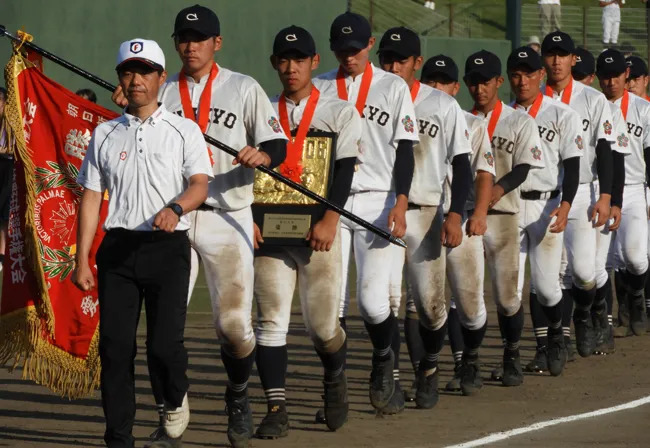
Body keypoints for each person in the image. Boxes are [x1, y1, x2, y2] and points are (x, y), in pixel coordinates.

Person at [113, 6, 288, 448]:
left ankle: (238, 392)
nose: (191, 46)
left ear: (217, 43)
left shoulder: (243, 87)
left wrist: (263, 156)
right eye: (184, 38)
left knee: (233, 327)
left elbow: (277, 142)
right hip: (172, 220)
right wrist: (130, 105)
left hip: (227, 215)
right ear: (174, 45)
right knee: (165, 330)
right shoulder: (159, 88)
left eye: (201, 38)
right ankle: (171, 413)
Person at [73, 38, 212, 448]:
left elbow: (200, 185)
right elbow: (92, 196)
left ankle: (172, 397)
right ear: (120, 78)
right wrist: (82, 259)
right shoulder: (104, 133)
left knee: (164, 347)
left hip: (167, 249)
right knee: (115, 350)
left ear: (161, 78)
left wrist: (176, 207)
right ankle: (118, 437)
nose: (136, 80)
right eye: (128, 72)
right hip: (117, 250)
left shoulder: (184, 130)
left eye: (145, 71)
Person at [251, 25, 361, 437]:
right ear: (274, 63)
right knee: (270, 322)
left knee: (323, 328)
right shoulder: (261, 109)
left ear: (315, 62)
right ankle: (276, 407)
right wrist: (250, 219)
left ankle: (335, 377)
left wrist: (332, 218)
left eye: (299, 59)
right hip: (271, 232)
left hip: (320, 232)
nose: (291, 67)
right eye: (283, 59)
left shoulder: (339, 111)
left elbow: (346, 169)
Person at [379, 28, 495, 405]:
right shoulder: (372, 99)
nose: (394, 66)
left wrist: (459, 214)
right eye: (388, 58)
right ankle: (405, 376)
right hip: (380, 210)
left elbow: (469, 169)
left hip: (431, 211)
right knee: (389, 300)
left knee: (439, 307)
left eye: (402, 59)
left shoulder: (447, 110)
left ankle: (445, 362)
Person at [315, 12, 419, 414]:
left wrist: (402, 200)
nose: (348, 55)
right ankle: (336, 387)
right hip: (332, 203)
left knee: (374, 302)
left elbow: (405, 148)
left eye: (355, 48)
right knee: (330, 309)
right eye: (341, 49)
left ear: (370, 45)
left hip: (379, 198)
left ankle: (382, 360)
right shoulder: (322, 85)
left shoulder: (393, 86)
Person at [527, 31, 619, 372]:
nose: (555, 60)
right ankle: (553, 339)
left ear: (572, 60)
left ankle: (584, 312)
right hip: (546, 193)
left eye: (562, 54)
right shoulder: (532, 98)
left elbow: (607, 150)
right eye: (550, 54)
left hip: (582, 191)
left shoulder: (593, 100)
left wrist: (607, 196)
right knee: (546, 278)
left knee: (583, 272)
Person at [463, 50, 545, 385]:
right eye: (473, 82)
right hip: (467, 212)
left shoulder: (518, 120)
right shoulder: (460, 119)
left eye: (486, 81)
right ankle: (468, 361)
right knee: (465, 294)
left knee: (507, 296)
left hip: (504, 213)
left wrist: (496, 189)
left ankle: (512, 353)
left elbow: (524, 166)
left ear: (498, 82)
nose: (479, 89)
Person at [508, 46, 583, 378]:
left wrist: (566, 205)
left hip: (546, 204)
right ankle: (531, 351)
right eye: (516, 73)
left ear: (541, 75)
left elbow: (573, 166)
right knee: (510, 291)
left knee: (548, 287)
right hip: (508, 206)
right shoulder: (502, 115)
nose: (522, 80)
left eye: (528, 73)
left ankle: (556, 334)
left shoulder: (561, 114)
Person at [572, 46, 627, 354]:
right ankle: (574, 325)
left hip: (595, 188)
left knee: (594, 267)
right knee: (571, 270)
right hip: (568, 192)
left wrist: (614, 200)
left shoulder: (604, 108)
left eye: (582, 76)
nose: (577, 81)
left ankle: (600, 313)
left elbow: (615, 159)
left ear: (590, 78)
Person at [597, 48, 650, 337]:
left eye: (616, 75)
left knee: (636, 258)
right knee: (605, 262)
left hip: (633, 189)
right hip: (600, 188)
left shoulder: (643, 109)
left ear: (626, 75)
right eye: (605, 76)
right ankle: (607, 318)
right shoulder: (593, 105)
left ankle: (637, 297)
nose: (611, 82)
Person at [0, 87, 11, 273]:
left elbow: (14, 150)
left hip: (9, 168)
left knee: (4, 213)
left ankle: (3, 254)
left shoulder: (12, 122)